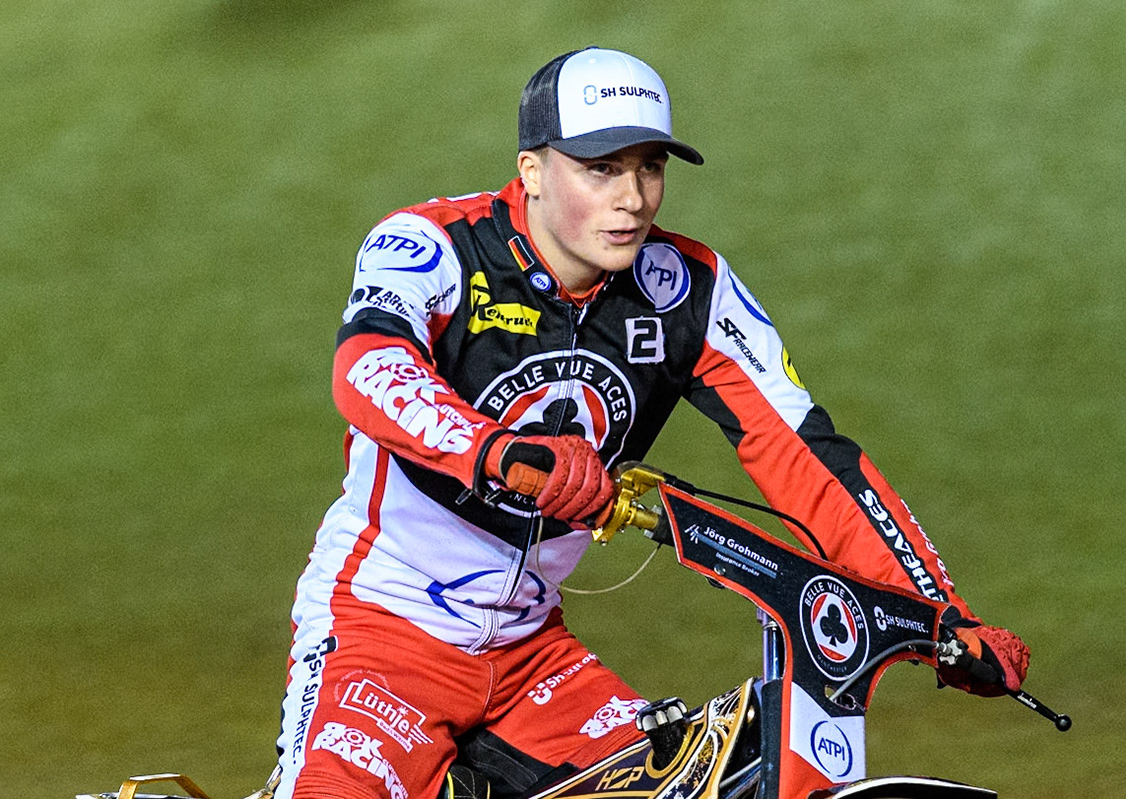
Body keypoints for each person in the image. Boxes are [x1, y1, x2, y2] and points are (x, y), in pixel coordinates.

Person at [273, 47, 1030, 799]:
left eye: (649, 167)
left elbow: (806, 455)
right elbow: (370, 368)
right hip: (377, 635)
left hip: (533, 657)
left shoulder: (691, 290)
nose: (633, 198)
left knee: (707, 781)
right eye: (601, 168)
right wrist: (498, 452)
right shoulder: (433, 242)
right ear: (532, 170)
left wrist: (939, 615)